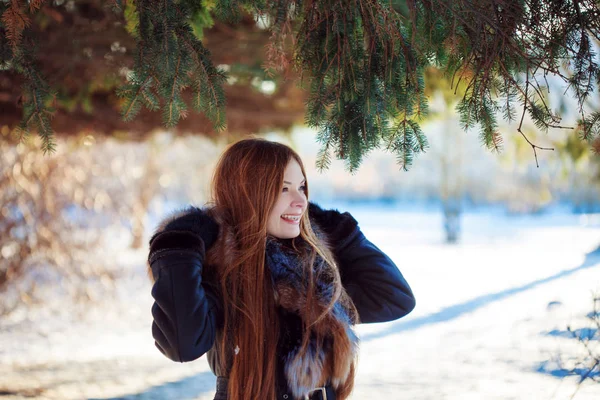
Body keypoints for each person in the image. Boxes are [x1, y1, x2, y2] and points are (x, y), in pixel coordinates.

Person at [147, 138, 415, 400]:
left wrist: (343, 234)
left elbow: (394, 297)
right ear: (248, 193)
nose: (301, 202)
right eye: (284, 189)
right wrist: (177, 251)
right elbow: (183, 344)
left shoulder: (314, 271)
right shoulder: (221, 270)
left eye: (301, 187)